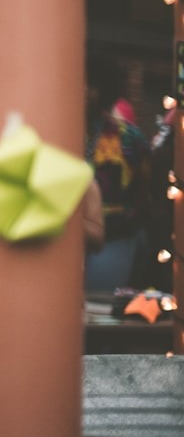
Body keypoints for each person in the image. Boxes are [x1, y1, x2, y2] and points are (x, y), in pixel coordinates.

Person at [85, 54, 151, 292]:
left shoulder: (128, 136)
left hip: (116, 235)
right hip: (65, 234)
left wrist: (131, 214)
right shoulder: (56, 130)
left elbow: (144, 180)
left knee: (100, 300)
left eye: (92, 85)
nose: (85, 91)